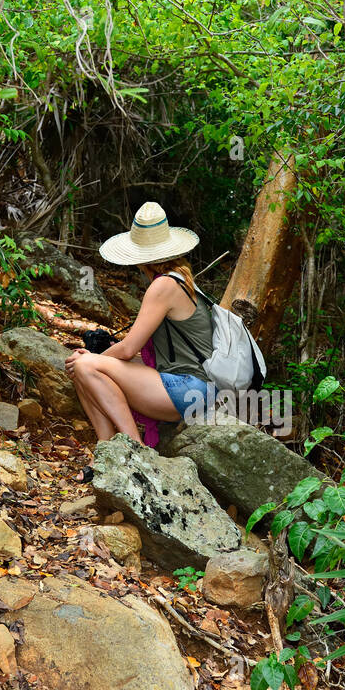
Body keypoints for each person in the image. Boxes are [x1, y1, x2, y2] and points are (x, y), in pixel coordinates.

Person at [65, 201, 214, 481]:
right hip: (188, 386)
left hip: (189, 389)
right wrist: (94, 360)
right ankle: (106, 452)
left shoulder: (164, 285)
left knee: (85, 367)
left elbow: (130, 347)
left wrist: (94, 359)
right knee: (82, 369)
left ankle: (135, 453)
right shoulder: (181, 279)